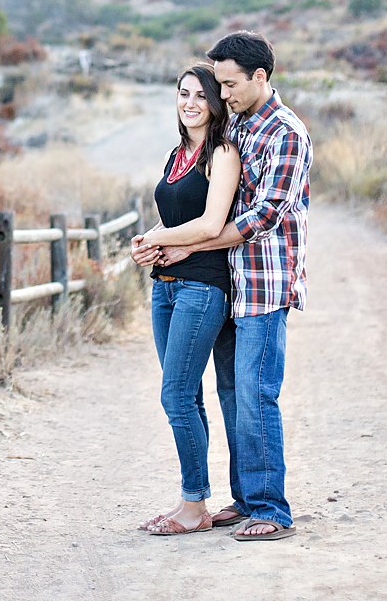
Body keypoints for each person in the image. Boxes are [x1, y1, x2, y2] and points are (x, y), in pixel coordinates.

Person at [148, 31, 310, 542]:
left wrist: (189, 246)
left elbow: (263, 215)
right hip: (231, 281)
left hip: (265, 282)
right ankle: (244, 501)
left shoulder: (286, 131)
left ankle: (271, 509)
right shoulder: (238, 124)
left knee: (257, 395)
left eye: (230, 84)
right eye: (217, 83)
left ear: (260, 77)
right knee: (231, 394)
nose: (223, 93)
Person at [130, 65, 240, 535]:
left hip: (202, 286)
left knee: (175, 396)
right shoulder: (177, 155)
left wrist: (169, 238)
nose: (190, 102)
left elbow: (212, 224)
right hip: (165, 287)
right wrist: (148, 240)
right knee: (186, 395)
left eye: (201, 95)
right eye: (183, 94)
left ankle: (195, 506)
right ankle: (190, 500)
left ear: (216, 103)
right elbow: (175, 217)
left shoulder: (222, 153)